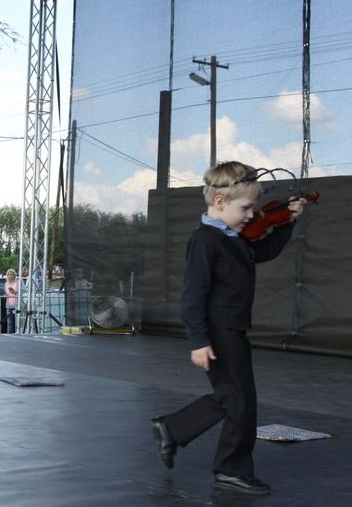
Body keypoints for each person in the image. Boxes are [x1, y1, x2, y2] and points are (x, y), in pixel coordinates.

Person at [151, 161, 305, 495]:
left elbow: (264, 251)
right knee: (238, 401)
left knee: (235, 398)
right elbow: (192, 296)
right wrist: (198, 340)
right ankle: (229, 469)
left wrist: (288, 223)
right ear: (220, 202)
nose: (251, 215)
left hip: (233, 329)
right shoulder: (205, 241)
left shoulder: (234, 237)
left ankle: (173, 429)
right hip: (217, 331)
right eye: (245, 208)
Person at [4, 269, 18, 333]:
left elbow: (20, 293)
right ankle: (9, 334)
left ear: (14, 275)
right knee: (9, 321)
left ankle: (17, 334)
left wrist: (14, 292)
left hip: (16, 304)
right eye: (9, 274)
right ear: (7, 275)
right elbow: (6, 293)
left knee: (16, 322)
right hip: (9, 304)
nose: (11, 276)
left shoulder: (17, 283)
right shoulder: (6, 284)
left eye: (12, 274)